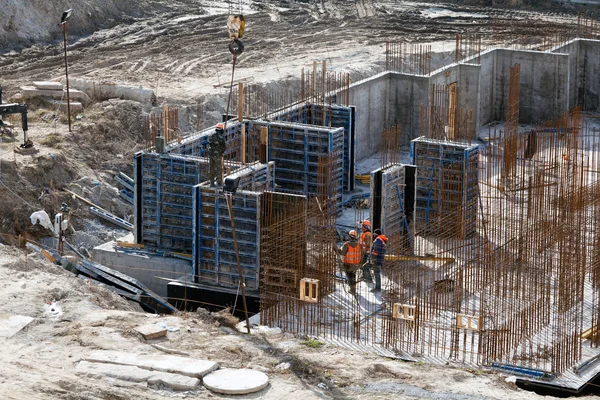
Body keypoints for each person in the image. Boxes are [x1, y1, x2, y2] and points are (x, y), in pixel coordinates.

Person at [336, 230, 362, 296]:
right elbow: (361, 253)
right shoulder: (359, 244)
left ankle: (352, 289)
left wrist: (336, 249)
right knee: (353, 275)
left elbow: (342, 253)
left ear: (350, 236)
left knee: (349, 276)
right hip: (356, 263)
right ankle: (353, 288)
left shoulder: (346, 244)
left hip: (348, 263)